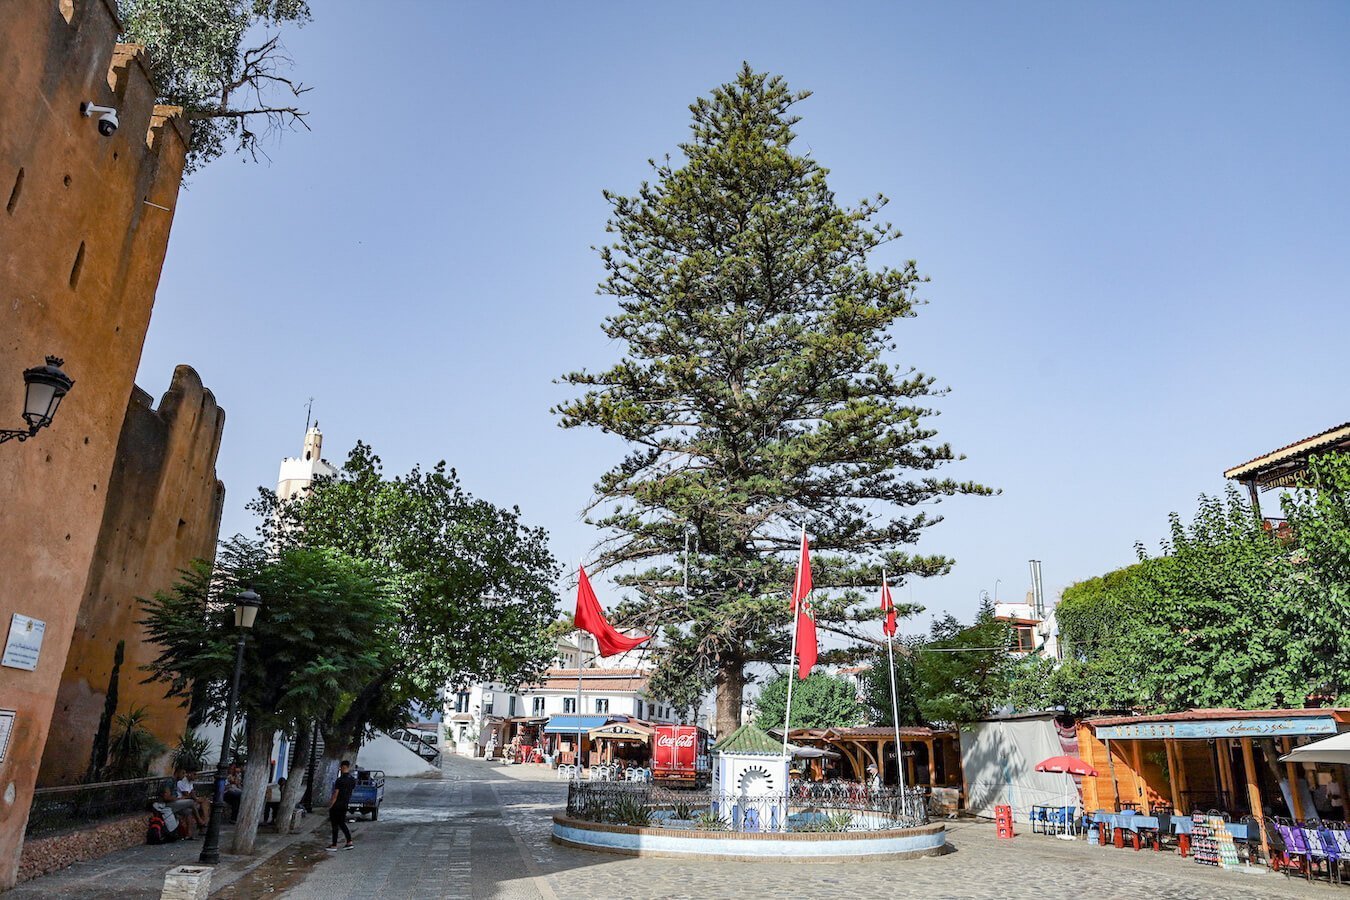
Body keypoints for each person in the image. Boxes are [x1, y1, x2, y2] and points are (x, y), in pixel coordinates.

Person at [326, 760, 356, 851]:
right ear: (348, 767)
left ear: (342, 768)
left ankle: (334, 845)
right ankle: (349, 841)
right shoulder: (352, 780)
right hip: (345, 804)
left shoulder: (340, 780)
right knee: (342, 823)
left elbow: (336, 794)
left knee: (335, 824)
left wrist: (331, 804)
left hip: (337, 805)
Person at [161, 769, 199, 839]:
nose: (184, 775)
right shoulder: (170, 781)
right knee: (191, 802)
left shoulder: (176, 782)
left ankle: (189, 834)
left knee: (188, 811)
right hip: (168, 805)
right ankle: (200, 821)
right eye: (183, 773)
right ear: (177, 773)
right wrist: (178, 799)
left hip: (175, 803)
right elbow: (166, 797)